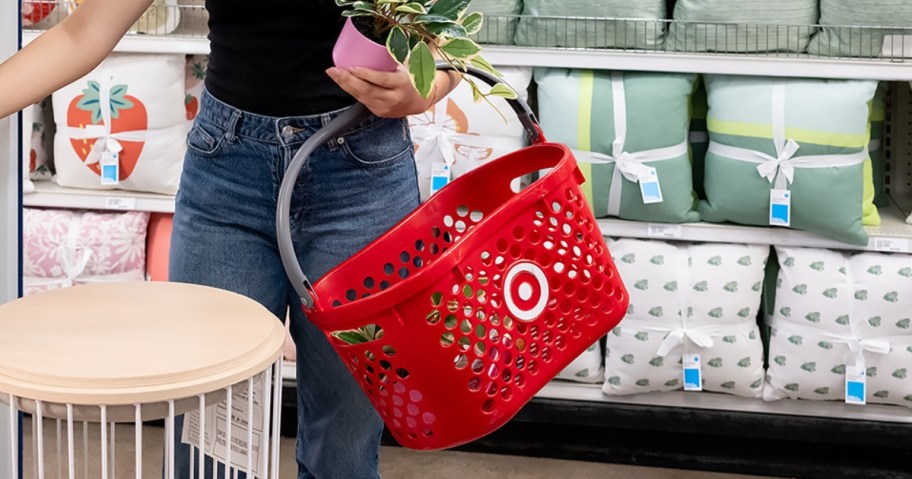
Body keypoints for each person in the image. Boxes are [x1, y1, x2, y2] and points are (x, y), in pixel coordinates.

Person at [0, 0, 460, 477]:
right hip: (229, 176)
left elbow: (449, 34)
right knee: (209, 446)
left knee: (344, 447)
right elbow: (83, 33)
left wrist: (427, 87)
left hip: (361, 176)